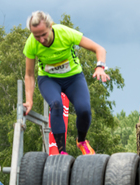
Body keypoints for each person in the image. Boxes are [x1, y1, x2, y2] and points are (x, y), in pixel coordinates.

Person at [23, 11, 110, 155]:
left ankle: (81, 141)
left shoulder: (65, 33)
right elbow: (29, 74)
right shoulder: (31, 44)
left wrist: (100, 67)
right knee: (56, 104)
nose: (41, 40)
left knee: (84, 110)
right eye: (36, 36)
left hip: (73, 78)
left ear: (51, 26)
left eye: (44, 34)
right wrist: (29, 100)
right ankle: (62, 152)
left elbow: (99, 48)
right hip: (49, 79)